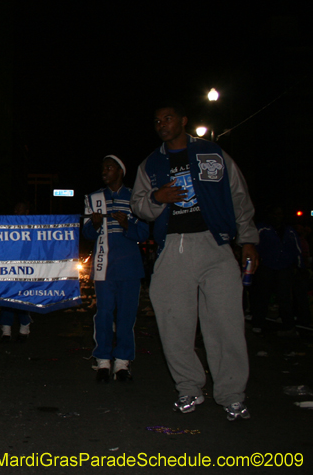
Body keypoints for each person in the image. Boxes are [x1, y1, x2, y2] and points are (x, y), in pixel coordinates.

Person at [132, 104, 259, 421]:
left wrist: (248, 241)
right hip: (174, 247)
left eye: (168, 118)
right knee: (174, 324)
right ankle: (188, 388)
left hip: (215, 245)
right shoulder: (150, 164)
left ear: (183, 121)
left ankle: (232, 395)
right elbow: (139, 206)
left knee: (226, 324)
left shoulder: (211, 153)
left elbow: (238, 196)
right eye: (157, 120)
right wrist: (157, 199)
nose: (162, 124)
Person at [83, 155, 149, 382]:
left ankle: (122, 363)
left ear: (120, 171)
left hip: (130, 267)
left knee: (127, 316)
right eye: (103, 168)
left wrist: (126, 225)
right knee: (103, 314)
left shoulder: (135, 197)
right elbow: (87, 234)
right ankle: (102, 361)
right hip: (103, 266)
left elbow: (144, 233)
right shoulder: (93, 198)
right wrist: (94, 224)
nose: (104, 171)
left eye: (109, 168)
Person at [251, 206, 302, 337]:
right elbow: (253, 245)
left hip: (284, 267)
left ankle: (288, 325)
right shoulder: (262, 228)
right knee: (263, 295)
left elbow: (297, 249)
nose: (277, 217)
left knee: (284, 297)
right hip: (266, 266)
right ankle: (258, 324)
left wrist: (299, 266)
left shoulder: (289, 230)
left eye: (280, 214)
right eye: (275, 214)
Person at [0, 202, 33, 342]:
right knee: (6, 299)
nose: (17, 211)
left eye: (20, 209)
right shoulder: (8, 225)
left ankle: (24, 328)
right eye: (16, 209)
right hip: (8, 268)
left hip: (25, 269)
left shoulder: (33, 226)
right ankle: (6, 331)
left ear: (27, 212)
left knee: (22, 299)